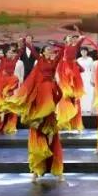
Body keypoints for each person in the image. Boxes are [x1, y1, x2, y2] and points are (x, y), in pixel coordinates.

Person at [9, 44, 65, 181]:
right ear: (43, 52)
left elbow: (62, 53)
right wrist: (27, 43)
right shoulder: (40, 60)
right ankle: (35, 171)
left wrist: (59, 45)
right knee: (37, 129)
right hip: (40, 92)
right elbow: (34, 52)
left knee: (51, 127)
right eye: (47, 50)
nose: (50, 51)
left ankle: (58, 171)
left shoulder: (54, 62)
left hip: (50, 91)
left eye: (51, 50)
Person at [56, 34, 87, 133]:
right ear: (65, 40)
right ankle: (65, 122)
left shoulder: (75, 47)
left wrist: (76, 65)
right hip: (65, 79)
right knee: (65, 100)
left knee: (75, 100)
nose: (70, 38)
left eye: (71, 37)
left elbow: (82, 70)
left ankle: (76, 124)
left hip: (73, 77)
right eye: (68, 37)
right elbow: (58, 71)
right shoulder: (63, 50)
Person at [77, 46, 96, 115]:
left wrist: (92, 78)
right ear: (80, 52)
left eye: (85, 51)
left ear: (87, 52)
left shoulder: (90, 59)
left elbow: (92, 69)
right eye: (82, 51)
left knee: (89, 92)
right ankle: (82, 108)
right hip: (81, 77)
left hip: (88, 76)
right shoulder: (78, 60)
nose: (83, 52)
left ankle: (89, 108)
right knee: (82, 92)